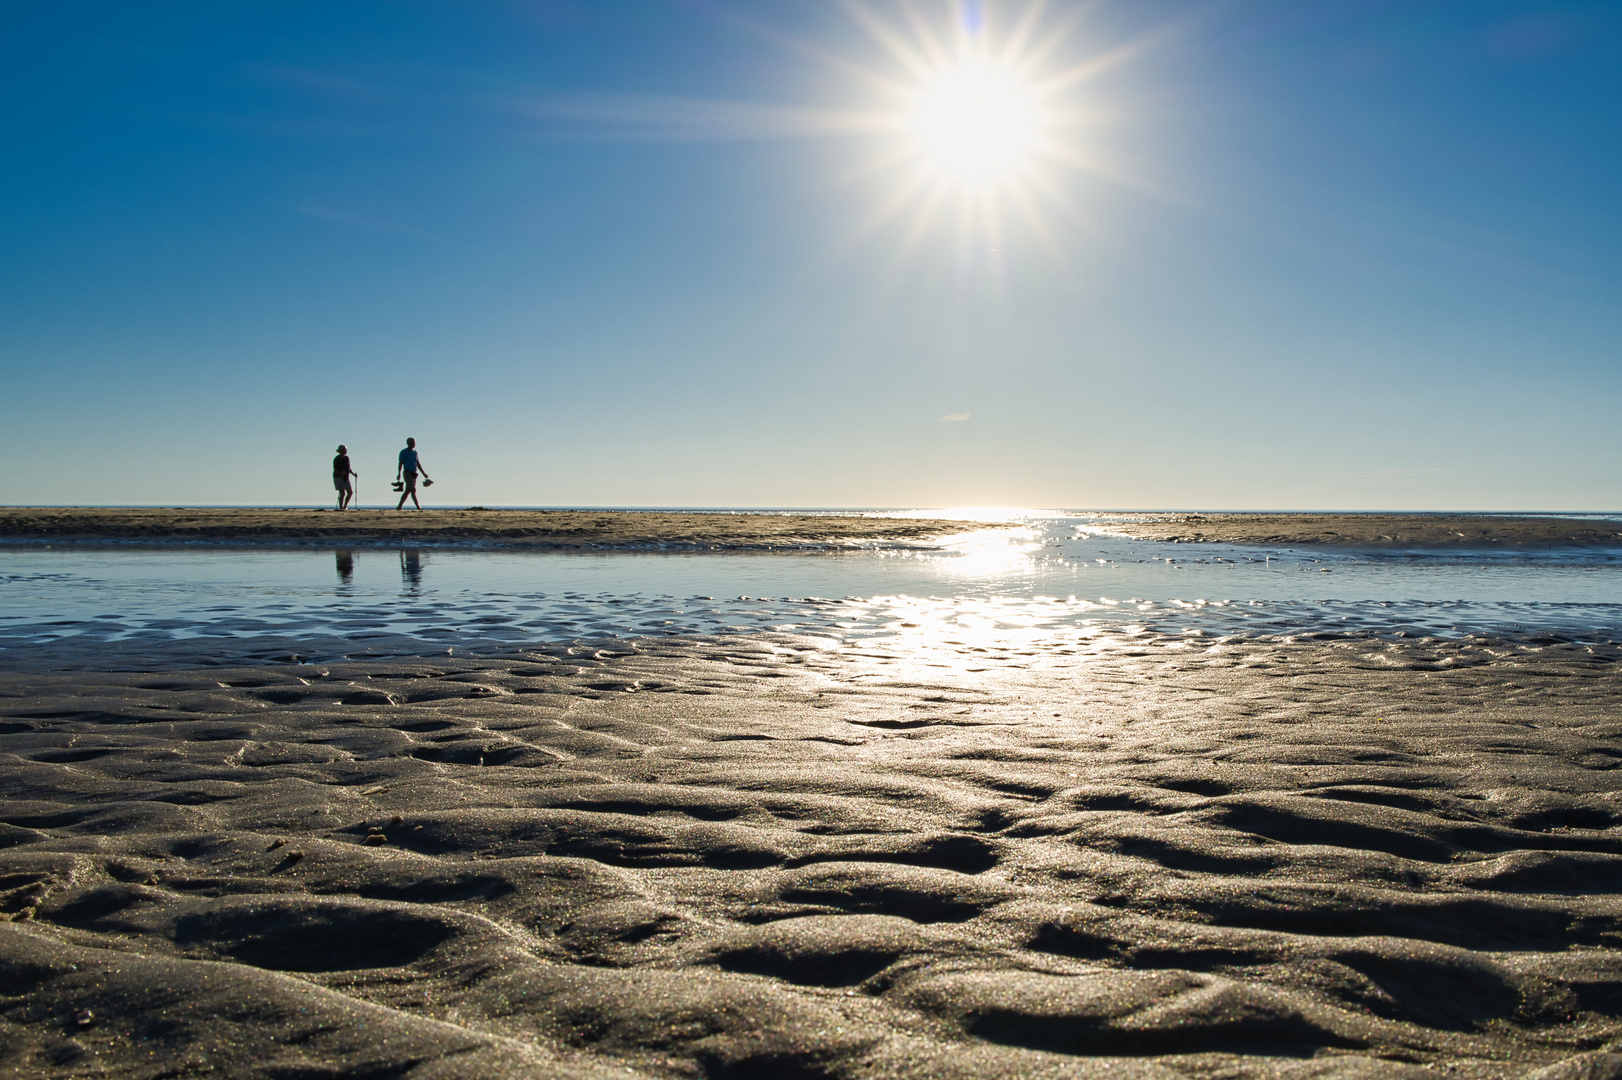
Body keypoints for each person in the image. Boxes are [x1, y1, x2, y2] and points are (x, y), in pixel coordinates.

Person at [394, 437, 431, 510]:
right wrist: (399, 474)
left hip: (414, 473)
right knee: (413, 489)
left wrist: (424, 473)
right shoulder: (403, 452)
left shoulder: (415, 452)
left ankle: (399, 506)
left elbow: (417, 463)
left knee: (408, 491)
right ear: (408, 443)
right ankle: (418, 506)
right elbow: (400, 463)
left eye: (414, 442)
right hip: (407, 472)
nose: (414, 444)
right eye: (412, 442)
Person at [332, 445, 357, 510]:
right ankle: (341, 507)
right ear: (341, 451)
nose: (346, 451)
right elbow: (335, 469)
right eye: (345, 450)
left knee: (350, 492)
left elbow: (348, 468)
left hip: (346, 477)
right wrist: (340, 473)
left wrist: (353, 474)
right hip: (338, 477)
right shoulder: (337, 459)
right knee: (342, 493)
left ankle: (344, 506)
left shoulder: (347, 458)